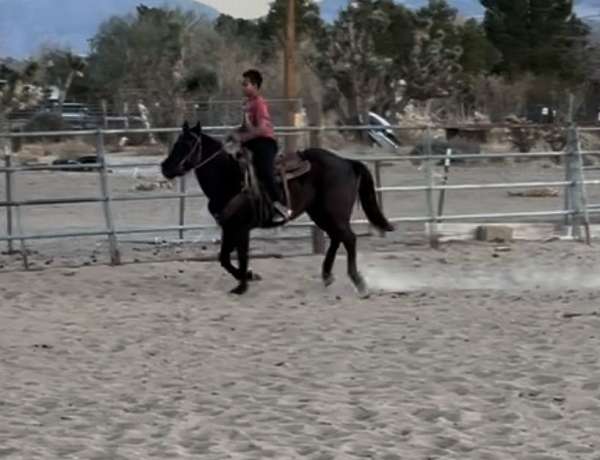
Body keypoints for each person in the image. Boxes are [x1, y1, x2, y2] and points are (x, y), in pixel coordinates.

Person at [232, 69, 290, 224]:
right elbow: (247, 127)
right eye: (242, 84)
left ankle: (281, 206)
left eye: (246, 84)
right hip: (251, 144)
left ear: (255, 85)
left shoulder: (259, 103)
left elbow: (263, 128)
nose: (243, 87)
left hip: (264, 143)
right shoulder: (247, 104)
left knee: (265, 171)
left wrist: (243, 136)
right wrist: (234, 134)